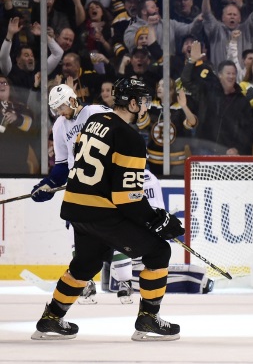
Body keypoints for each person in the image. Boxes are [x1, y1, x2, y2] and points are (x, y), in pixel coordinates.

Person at [31, 77, 185, 341]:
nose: (146, 107)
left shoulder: (93, 122)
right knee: (160, 251)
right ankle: (148, 319)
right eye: (144, 102)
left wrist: (152, 218)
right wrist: (157, 220)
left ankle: (51, 318)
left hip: (76, 208)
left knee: (85, 263)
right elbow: (128, 198)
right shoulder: (131, 139)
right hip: (100, 212)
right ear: (133, 103)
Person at [30, 83, 136, 304]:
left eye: (61, 107)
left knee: (115, 229)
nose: (60, 113)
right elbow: (61, 164)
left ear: (72, 100)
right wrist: (48, 184)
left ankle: (125, 282)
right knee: (76, 230)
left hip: (104, 185)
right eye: (56, 109)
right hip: (78, 186)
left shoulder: (98, 112)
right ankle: (85, 282)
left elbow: (124, 137)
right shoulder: (60, 125)